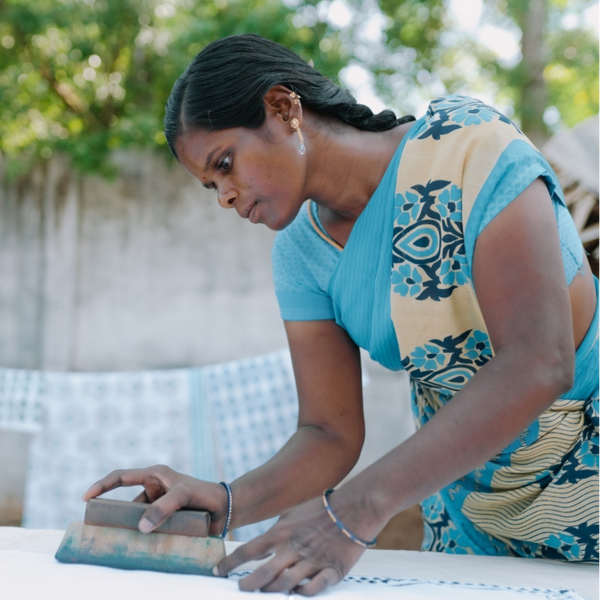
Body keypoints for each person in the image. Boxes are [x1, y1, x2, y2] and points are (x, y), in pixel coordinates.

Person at [83, 34, 600, 595]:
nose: (224, 198)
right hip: (470, 502)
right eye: (212, 184)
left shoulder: (470, 149)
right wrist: (226, 502)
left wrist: (354, 510)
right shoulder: (302, 255)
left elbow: (538, 362)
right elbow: (328, 432)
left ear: (283, 108)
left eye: (225, 164)